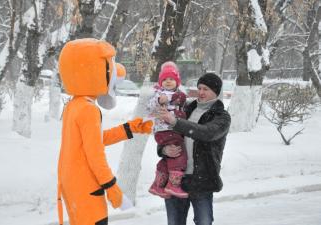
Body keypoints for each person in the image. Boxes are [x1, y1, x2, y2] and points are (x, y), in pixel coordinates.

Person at [57, 38, 153, 225]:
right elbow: (95, 155)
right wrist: (112, 187)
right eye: (108, 66)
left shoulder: (74, 105)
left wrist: (130, 128)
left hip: (73, 186)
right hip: (87, 187)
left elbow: (95, 140)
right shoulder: (88, 109)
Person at [157, 73, 231, 225]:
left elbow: (207, 133)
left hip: (202, 181)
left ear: (216, 92)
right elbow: (166, 134)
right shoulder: (185, 110)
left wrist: (175, 122)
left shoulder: (221, 116)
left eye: (206, 89)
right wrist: (164, 150)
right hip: (176, 178)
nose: (201, 92)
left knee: (204, 222)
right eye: (199, 88)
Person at [147, 61, 188, 199]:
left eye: (171, 79)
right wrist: (159, 100)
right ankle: (173, 184)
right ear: (160, 82)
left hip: (167, 131)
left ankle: (159, 185)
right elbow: (149, 107)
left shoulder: (180, 95)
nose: (168, 82)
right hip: (165, 130)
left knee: (167, 158)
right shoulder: (158, 93)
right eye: (165, 79)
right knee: (179, 154)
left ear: (177, 82)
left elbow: (181, 102)